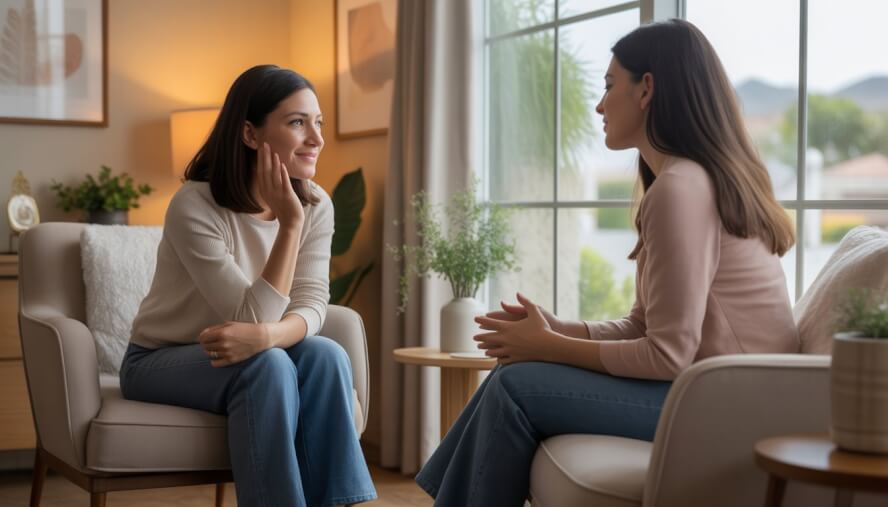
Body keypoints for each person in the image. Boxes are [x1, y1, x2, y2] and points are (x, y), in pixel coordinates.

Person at [415, 19, 800, 506]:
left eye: (609, 85)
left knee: (515, 384)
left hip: (731, 406)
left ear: (647, 90)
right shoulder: (688, 181)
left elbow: (667, 355)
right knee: (510, 375)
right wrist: (562, 330)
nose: (599, 105)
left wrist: (550, 346)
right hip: (717, 392)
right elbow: (646, 326)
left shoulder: (681, 189)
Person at [120, 65, 376, 507]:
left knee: (327, 354)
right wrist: (290, 224)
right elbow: (246, 318)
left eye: (319, 123)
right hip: (160, 360)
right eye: (298, 123)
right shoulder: (194, 204)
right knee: (270, 366)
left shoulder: (318, 202)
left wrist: (267, 337)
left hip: (254, 347)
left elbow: (312, 304)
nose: (316, 138)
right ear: (250, 134)